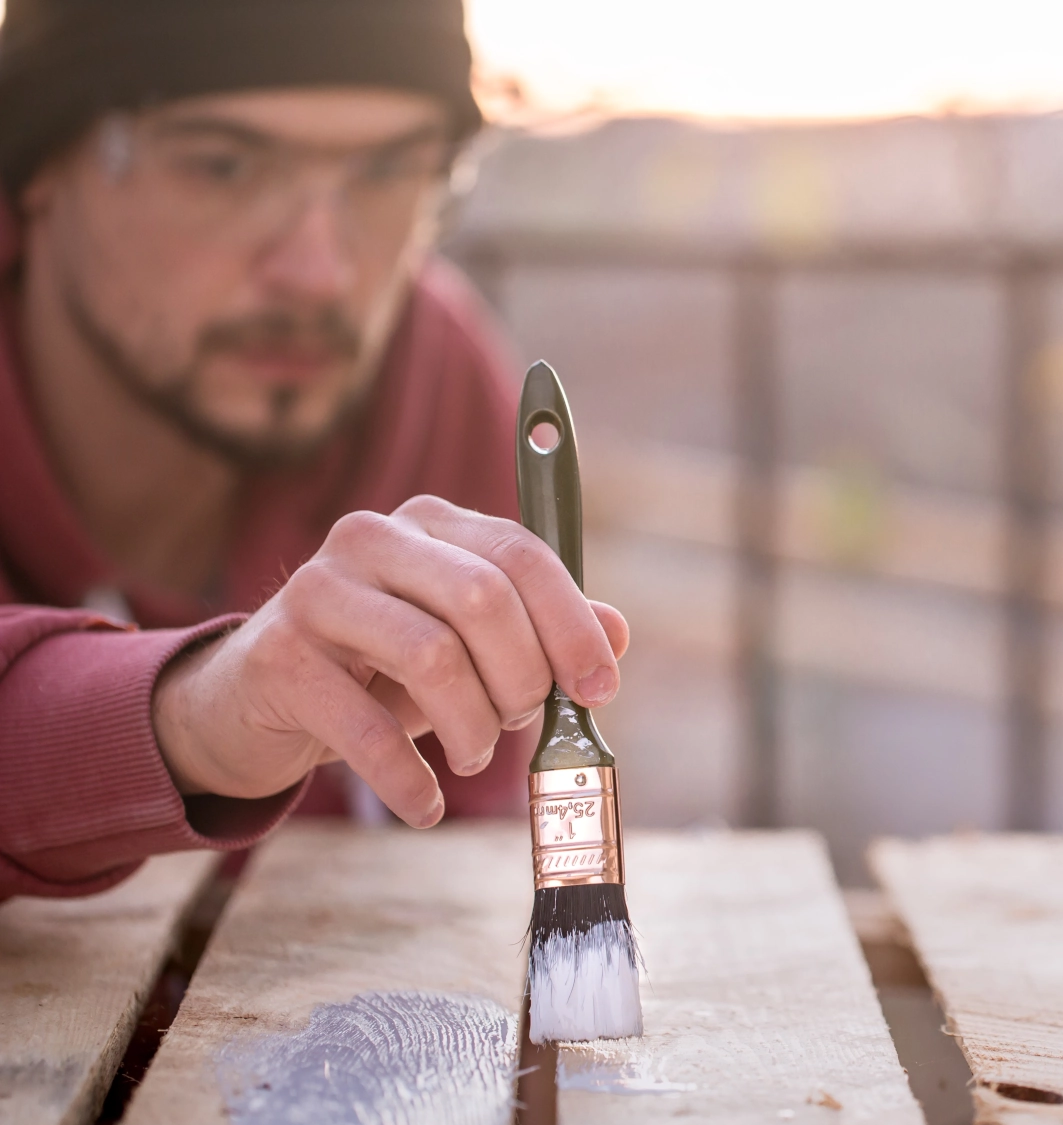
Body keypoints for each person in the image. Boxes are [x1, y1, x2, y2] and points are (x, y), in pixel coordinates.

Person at [0, 0, 628, 900]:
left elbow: (454, 872)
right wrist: (191, 716)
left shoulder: (431, 375)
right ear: (37, 166)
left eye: (388, 172)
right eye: (223, 167)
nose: (320, 272)